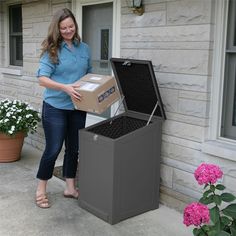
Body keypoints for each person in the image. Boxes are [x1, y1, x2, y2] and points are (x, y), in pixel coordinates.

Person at [35, 8, 92, 208]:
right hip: (55, 107)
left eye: (71, 26)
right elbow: (42, 79)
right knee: (53, 148)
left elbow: (89, 74)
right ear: (57, 29)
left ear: (75, 25)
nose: (68, 30)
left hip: (77, 106)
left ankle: (69, 187)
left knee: (74, 148)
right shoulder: (52, 49)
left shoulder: (84, 48)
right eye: (63, 27)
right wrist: (65, 87)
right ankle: (41, 188)